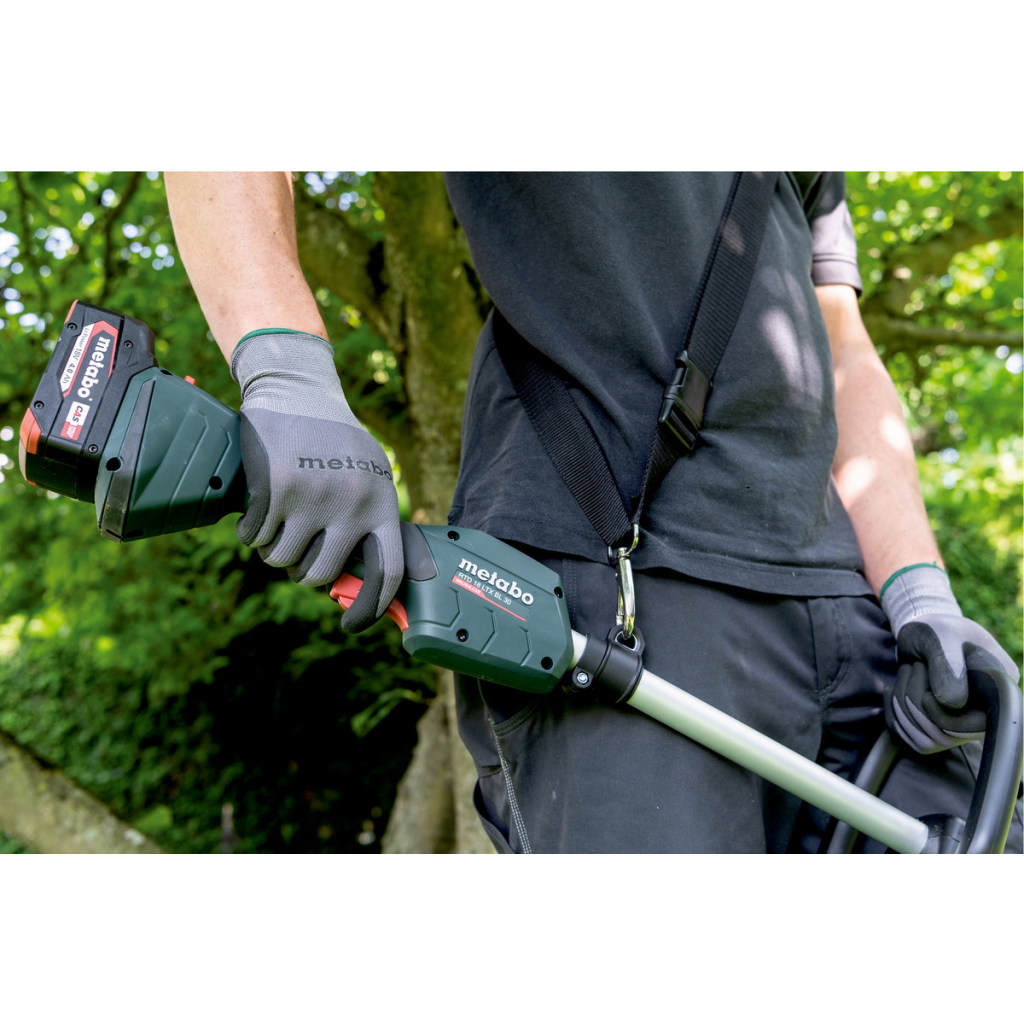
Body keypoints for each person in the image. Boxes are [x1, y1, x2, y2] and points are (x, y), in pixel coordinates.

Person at [164, 171, 1022, 854]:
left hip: (853, 620)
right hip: (616, 595)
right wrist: (289, 372)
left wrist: (919, 592)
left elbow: (840, 342)